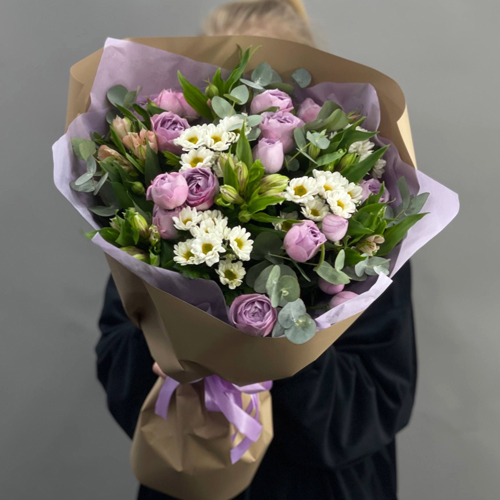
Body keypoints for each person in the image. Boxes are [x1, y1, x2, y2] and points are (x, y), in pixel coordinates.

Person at [96, 1, 417, 499]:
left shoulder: (362, 230)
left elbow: (377, 403)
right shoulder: (155, 226)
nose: (246, 114)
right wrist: (174, 348)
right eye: (228, 88)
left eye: (270, 89)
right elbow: (117, 362)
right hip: (194, 478)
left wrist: (273, 345)